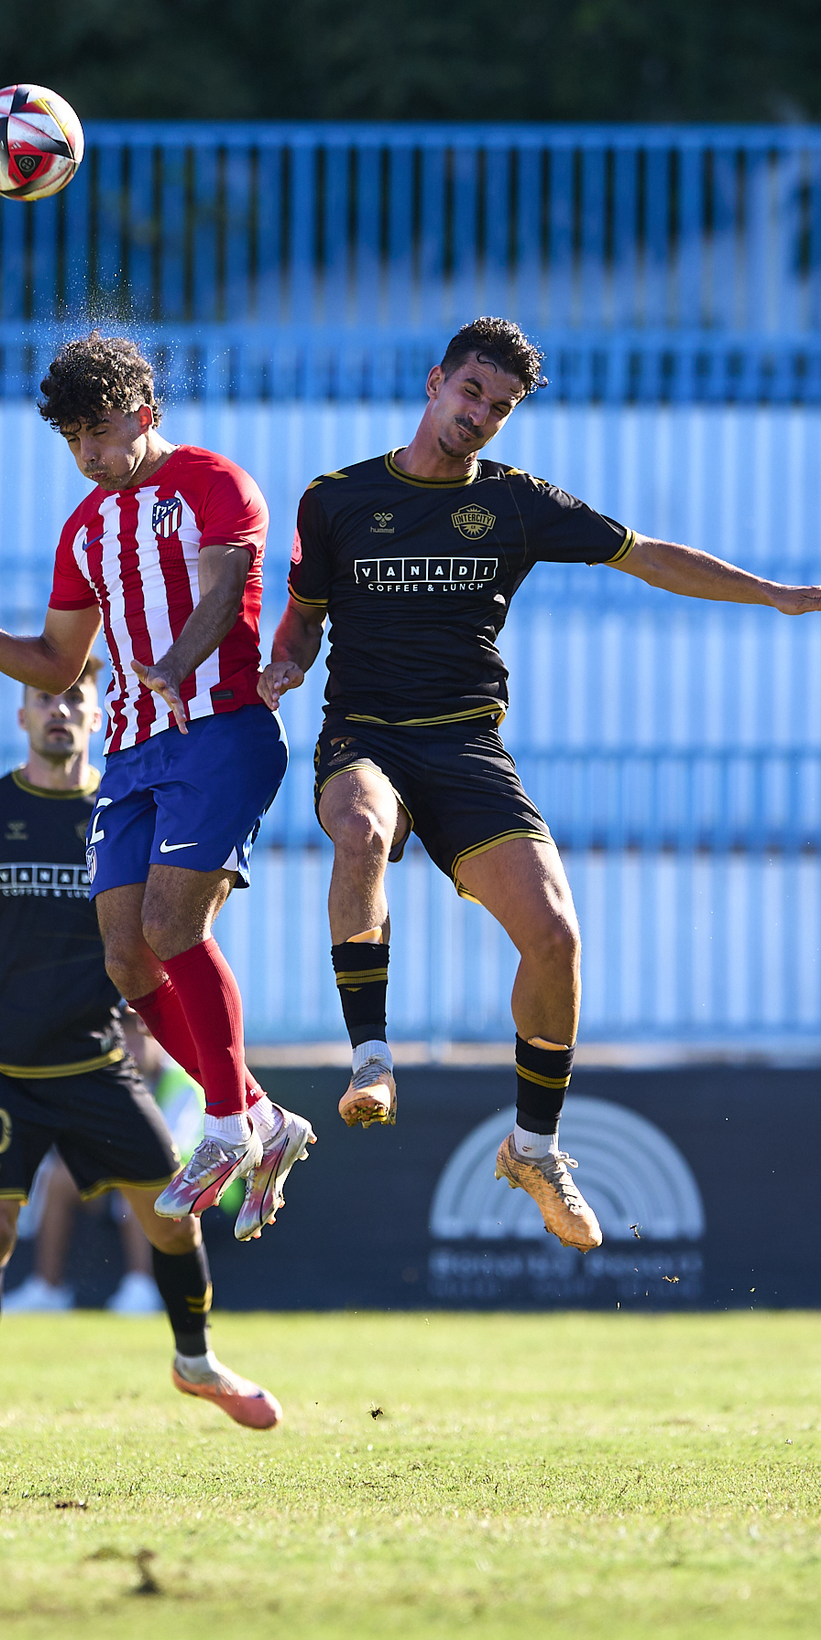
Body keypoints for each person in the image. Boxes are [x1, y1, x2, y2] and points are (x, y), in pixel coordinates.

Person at [258, 314, 821, 1255]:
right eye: (471, 392)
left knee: (556, 935)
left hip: (470, 750)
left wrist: (773, 592)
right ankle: (372, 1059)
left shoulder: (517, 504)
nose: (480, 414)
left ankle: (535, 1148)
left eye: (500, 407)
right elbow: (304, 618)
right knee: (359, 831)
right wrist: (283, 667)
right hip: (366, 736)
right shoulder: (337, 499)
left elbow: (647, 556)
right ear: (436, 381)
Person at [0, 330, 315, 1242]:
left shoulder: (213, 483)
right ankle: (264, 1117)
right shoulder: (85, 529)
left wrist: (173, 664)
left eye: (99, 432)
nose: (87, 454)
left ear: (144, 414)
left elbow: (222, 593)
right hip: (130, 758)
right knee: (128, 961)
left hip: (221, 732)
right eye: (72, 439)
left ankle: (223, 1126)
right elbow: (56, 661)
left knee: (172, 929)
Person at [0, 663, 283, 1440]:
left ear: (100, 716)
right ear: (23, 717)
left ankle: (195, 1363)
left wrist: (163, 1026)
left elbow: (172, 929)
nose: (59, 710)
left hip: (99, 1060)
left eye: (73, 698)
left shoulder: (127, 810)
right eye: (45, 699)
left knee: (175, 1221)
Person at [5, 1012, 206, 1314]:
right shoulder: (108, 1079)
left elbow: (182, 1151)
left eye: (140, 1037)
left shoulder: (182, 1081)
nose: (131, 1048)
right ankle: (48, 1288)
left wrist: (119, 1161)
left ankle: (141, 1289)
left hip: (196, 1192)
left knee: (140, 1181)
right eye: (123, 1038)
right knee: (59, 1178)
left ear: (158, 1041)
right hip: (120, 1179)